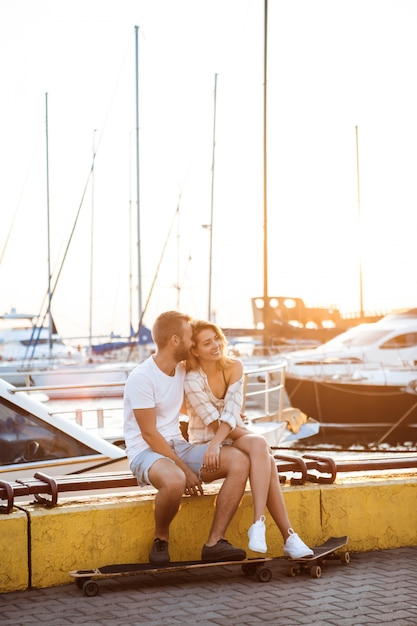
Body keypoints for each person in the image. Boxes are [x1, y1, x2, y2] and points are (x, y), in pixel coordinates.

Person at [123, 310, 250, 565]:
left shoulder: (181, 370)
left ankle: (215, 542)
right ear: (174, 341)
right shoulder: (141, 378)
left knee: (239, 461)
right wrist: (185, 469)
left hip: (177, 446)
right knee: (175, 480)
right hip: (145, 451)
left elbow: (192, 402)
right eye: (190, 337)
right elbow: (149, 434)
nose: (193, 342)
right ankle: (161, 538)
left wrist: (229, 411)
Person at [184, 319, 314, 559]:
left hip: (230, 437)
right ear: (194, 350)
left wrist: (226, 432)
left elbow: (233, 412)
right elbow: (213, 423)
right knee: (263, 452)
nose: (215, 345)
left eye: (216, 339)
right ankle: (285, 535)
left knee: (261, 449)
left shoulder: (234, 366)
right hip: (205, 444)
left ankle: (262, 525)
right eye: (206, 343)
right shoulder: (192, 379)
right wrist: (214, 443)